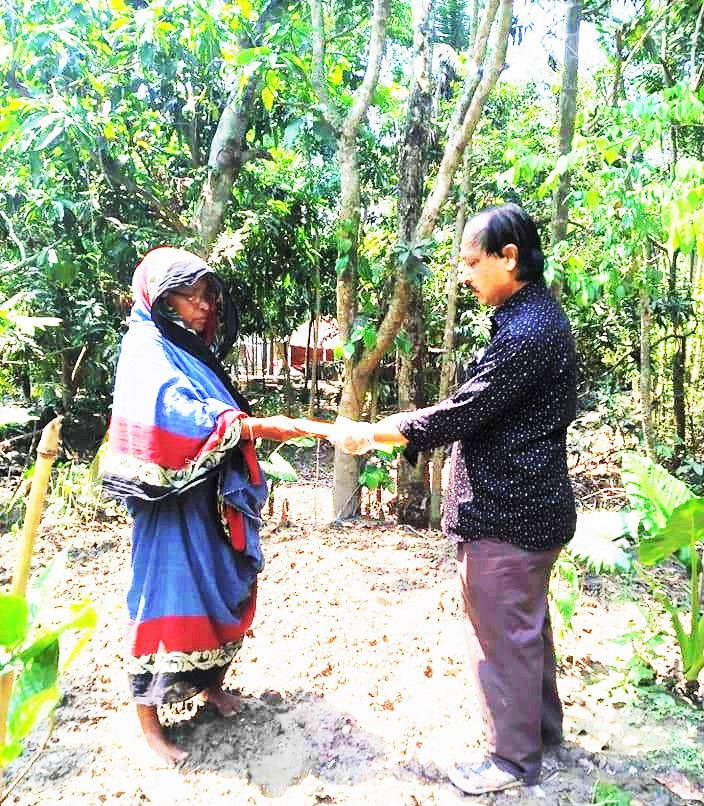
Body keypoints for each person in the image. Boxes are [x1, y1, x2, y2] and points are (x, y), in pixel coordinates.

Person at [330, 203, 577, 795]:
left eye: (471, 262)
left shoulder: (527, 331)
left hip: (508, 510)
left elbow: (465, 409)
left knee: (500, 638)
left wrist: (377, 431)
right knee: (525, 629)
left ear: (508, 258)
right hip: (528, 505)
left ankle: (512, 761)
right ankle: (542, 736)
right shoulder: (532, 316)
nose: (464, 274)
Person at [102, 246, 331, 766]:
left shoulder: (188, 348)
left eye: (208, 295)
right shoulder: (145, 344)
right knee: (164, 597)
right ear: (160, 299)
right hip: (170, 509)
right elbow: (171, 414)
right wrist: (254, 426)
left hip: (213, 499)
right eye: (190, 295)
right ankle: (148, 722)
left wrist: (244, 426)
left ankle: (211, 687)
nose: (203, 306)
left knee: (222, 588)